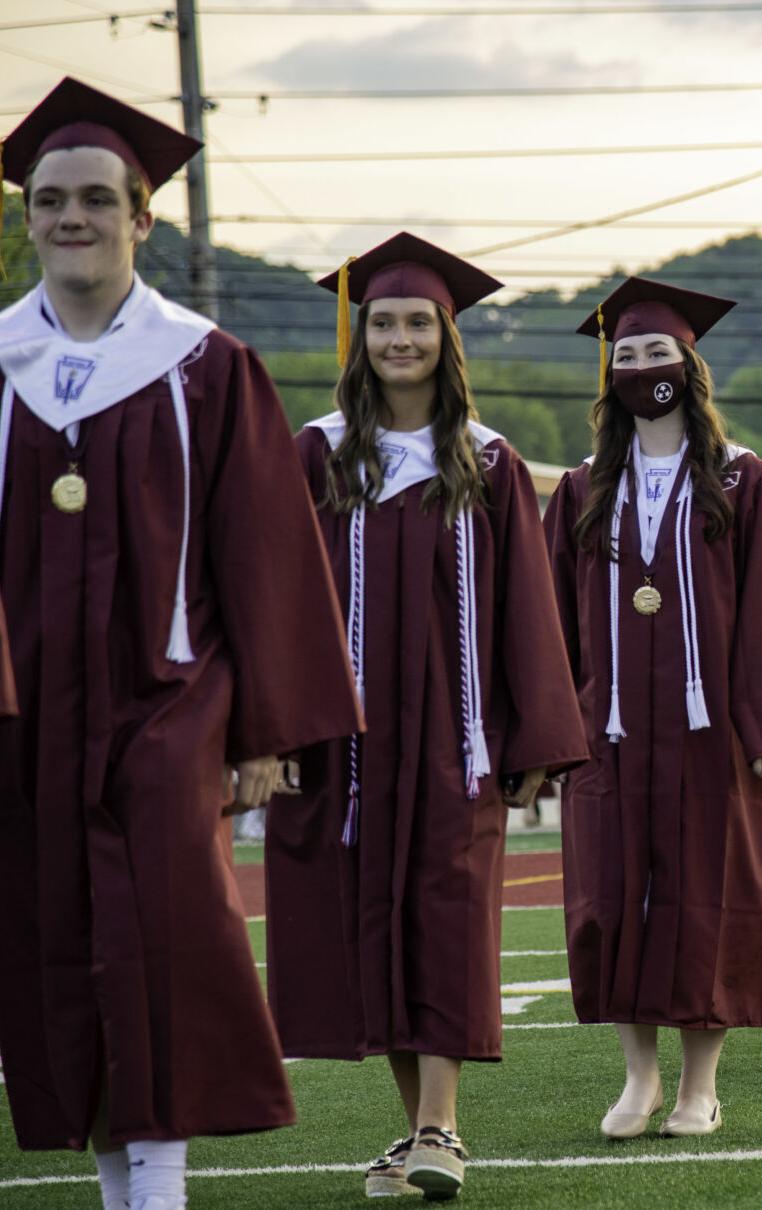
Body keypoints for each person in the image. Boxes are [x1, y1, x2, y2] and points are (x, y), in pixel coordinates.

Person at [0, 79, 362, 1210]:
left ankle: (156, 1189)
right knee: (51, 931)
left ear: (144, 216)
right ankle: (108, 1175)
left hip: (170, 702)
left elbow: (265, 552)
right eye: (50, 200)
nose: (73, 218)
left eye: (98, 199)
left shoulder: (205, 364)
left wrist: (265, 726)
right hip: (24, 704)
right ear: (27, 220)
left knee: (165, 934)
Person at [263, 234, 589, 1200]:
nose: (399, 339)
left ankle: (443, 1127)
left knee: (445, 919)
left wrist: (536, 737)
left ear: (448, 340)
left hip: (458, 741)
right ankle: (417, 1135)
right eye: (383, 323)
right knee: (371, 931)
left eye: (417, 323)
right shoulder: (318, 451)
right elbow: (276, 594)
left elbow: (527, 606)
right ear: (357, 338)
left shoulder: (487, 461)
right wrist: (273, 727)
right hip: (342, 747)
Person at [545, 277, 762, 1137]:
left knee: (709, 901)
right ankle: (637, 1079)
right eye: (627, 356)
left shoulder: (742, 479)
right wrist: (552, 728)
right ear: (608, 376)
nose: (644, 366)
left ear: (690, 365)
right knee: (611, 903)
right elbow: (548, 619)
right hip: (610, 735)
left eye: (658, 353)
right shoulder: (580, 490)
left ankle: (700, 1085)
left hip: (712, 737)